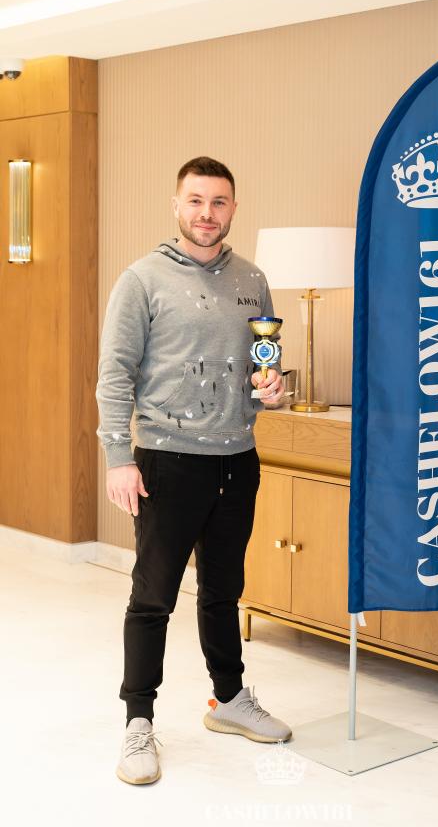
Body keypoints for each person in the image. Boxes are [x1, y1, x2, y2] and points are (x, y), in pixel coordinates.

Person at [95, 156, 291, 786]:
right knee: (152, 596)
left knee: (223, 590)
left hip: (237, 459)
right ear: (177, 205)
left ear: (233, 208)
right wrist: (118, 458)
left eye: (219, 202)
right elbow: (114, 375)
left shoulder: (253, 279)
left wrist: (272, 389)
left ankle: (229, 700)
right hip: (166, 460)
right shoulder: (142, 279)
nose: (207, 214)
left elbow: (263, 364)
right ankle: (138, 721)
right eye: (196, 201)